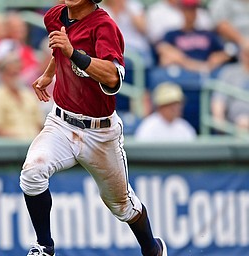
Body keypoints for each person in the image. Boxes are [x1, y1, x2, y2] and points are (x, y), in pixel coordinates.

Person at [19, 1, 167, 256]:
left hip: (100, 132)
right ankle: (44, 246)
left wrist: (73, 53)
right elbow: (60, 50)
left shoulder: (104, 25)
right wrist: (49, 73)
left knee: (123, 206)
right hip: (62, 122)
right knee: (33, 172)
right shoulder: (55, 14)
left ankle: (153, 249)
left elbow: (113, 76)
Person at [0, 50, 44, 140]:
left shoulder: (29, 96)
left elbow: (40, 125)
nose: (15, 77)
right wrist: (18, 138)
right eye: (11, 74)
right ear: (2, 75)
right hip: (8, 149)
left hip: (34, 145)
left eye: (17, 73)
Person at [155, 0, 230, 74]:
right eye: (187, 10)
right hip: (182, 75)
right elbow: (163, 52)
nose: (190, 14)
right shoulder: (171, 34)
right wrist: (192, 65)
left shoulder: (207, 34)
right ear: (181, 11)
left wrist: (219, 57)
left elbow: (227, 53)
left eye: (193, 10)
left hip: (207, 75)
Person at [102, 0, 154, 67]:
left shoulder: (134, 6)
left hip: (138, 48)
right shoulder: (103, 9)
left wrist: (127, 9)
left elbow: (143, 28)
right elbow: (107, 32)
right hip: (116, 50)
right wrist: (116, 11)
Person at [211, 41, 249, 132]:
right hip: (235, 123)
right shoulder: (229, 72)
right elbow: (218, 99)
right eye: (246, 53)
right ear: (241, 54)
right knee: (243, 122)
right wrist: (219, 122)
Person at [146, 0, 212, 44]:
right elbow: (157, 43)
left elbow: (210, 38)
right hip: (172, 55)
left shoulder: (197, 10)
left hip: (201, 55)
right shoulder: (155, 11)